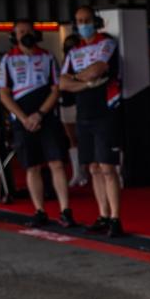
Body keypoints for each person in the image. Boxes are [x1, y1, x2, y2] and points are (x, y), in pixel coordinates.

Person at [0, 20, 76, 228]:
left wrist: (40, 114)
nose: (25, 34)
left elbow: (56, 88)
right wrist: (24, 118)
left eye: (28, 31)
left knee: (57, 163)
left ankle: (65, 210)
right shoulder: (7, 60)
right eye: (20, 32)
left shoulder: (47, 57)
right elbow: (3, 94)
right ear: (14, 36)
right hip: (22, 120)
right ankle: (39, 211)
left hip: (47, 117)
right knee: (32, 167)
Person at [59, 5, 124, 238]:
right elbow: (63, 82)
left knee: (107, 167)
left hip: (106, 111)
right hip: (83, 113)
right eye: (79, 20)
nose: (83, 24)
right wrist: (84, 82)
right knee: (94, 167)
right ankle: (103, 214)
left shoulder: (106, 43)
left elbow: (99, 69)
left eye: (87, 19)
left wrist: (80, 77)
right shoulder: (74, 51)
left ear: (95, 21)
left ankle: (116, 218)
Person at [59, 33, 89, 187]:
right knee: (72, 140)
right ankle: (78, 173)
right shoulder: (64, 63)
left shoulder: (83, 61)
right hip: (66, 103)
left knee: (83, 137)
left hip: (80, 102)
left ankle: (85, 171)